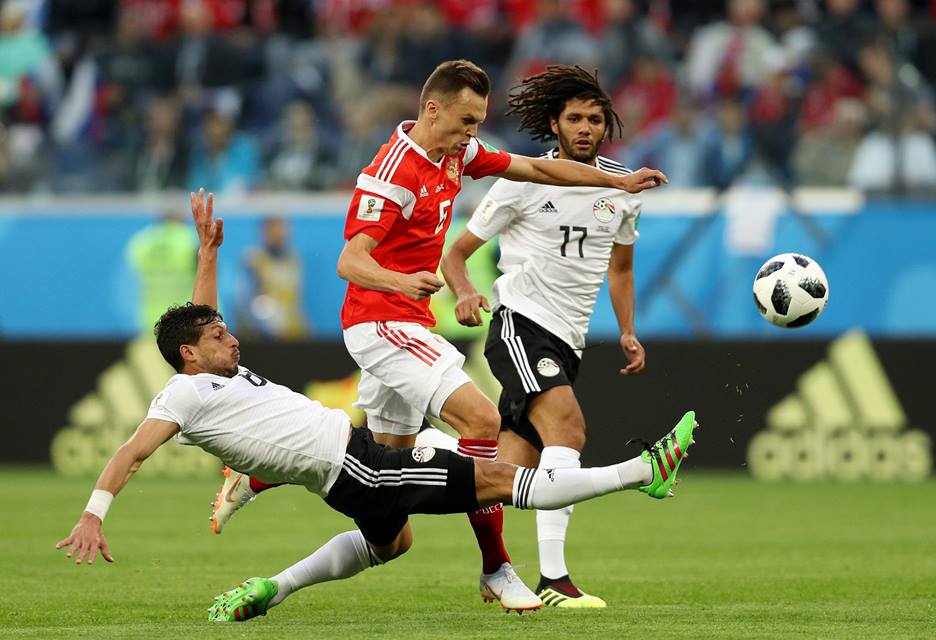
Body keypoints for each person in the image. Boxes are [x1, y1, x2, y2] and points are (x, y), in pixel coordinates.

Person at [55, 188, 699, 625]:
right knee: (503, 476)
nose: (233, 337)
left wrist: (208, 252)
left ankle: (272, 587)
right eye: (219, 336)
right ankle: (644, 471)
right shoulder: (183, 393)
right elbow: (130, 452)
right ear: (189, 356)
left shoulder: (209, 372)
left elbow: (199, 317)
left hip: (348, 474)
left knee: (393, 545)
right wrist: (92, 514)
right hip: (359, 466)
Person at [210, 58, 668, 610]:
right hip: (380, 321)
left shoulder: (457, 153)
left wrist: (617, 181)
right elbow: (350, 261)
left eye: (478, 123)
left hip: (406, 321)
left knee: (385, 494)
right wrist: (402, 281)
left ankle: (258, 479)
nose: (472, 134)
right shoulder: (391, 174)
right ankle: (497, 568)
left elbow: (537, 169)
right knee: (483, 421)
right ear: (433, 110)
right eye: (466, 121)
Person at [439, 65, 644, 608]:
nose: (585, 128)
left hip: (568, 341)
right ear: (554, 124)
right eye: (574, 118)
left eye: (595, 119)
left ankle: (406, 462)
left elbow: (620, 268)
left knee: (502, 472)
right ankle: (554, 579)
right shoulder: (522, 181)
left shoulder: (622, 188)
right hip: (521, 323)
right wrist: (465, 291)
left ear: (606, 126)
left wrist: (627, 330)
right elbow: (456, 254)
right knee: (568, 430)